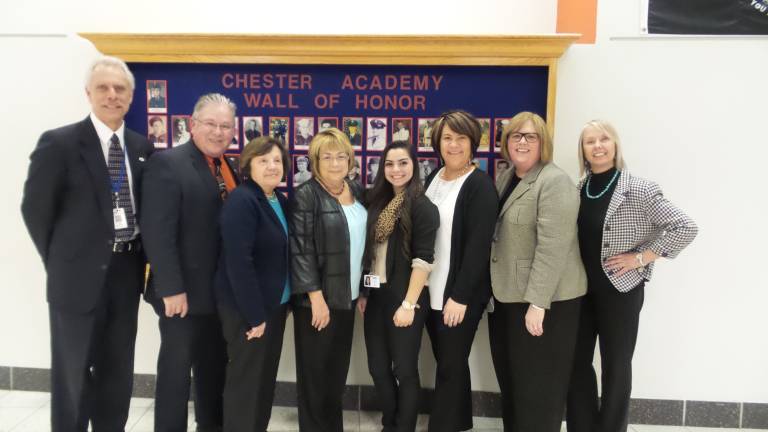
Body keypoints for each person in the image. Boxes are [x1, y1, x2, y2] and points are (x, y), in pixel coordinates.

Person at [21, 56, 153, 431]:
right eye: (103, 88)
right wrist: (64, 261)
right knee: (73, 374)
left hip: (126, 273)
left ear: (131, 95)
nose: (112, 95)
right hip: (75, 280)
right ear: (88, 93)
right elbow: (35, 210)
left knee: (117, 372)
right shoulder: (60, 143)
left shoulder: (141, 147)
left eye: (120, 89)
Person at [566, 120, 698, 432]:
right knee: (576, 362)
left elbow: (685, 227)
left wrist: (641, 258)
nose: (597, 146)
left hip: (620, 291)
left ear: (615, 145)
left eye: (604, 139)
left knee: (616, 365)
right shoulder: (577, 189)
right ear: (582, 150)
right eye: (590, 141)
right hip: (580, 290)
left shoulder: (639, 188)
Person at [141, 93, 240, 432]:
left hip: (217, 296)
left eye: (225, 125)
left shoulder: (228, 167)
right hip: (180, 296)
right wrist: (170, 289)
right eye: (210, 124)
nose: (218, 132)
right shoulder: (168, 163)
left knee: (213, 369)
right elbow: (157, 231)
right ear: (192, 125)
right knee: (176, 372)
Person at [488, 111, 587, 432]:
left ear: (543, 143)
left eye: (531, 136)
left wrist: (538, 303)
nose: (522, 142)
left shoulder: (554, 181)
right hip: (508, 297)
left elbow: (553, 248)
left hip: (545, 304)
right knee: (514, 385)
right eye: (516, 136)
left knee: (539, 391)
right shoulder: (507, 176)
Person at [423, 110, 498, 432]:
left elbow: (479, 248)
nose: (453, 145)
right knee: (449, 363)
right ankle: (461, 422)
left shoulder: (479, 186)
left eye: (461, 138)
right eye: (447, 138)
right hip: (430, 289)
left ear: (473, 143)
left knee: (449, 367)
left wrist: (460, 297)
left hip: (458, 294)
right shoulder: (434, 177)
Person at [290, 128, 368, 432]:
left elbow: (363, 244)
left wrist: (362, 291)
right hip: (317, 303)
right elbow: (301, 250)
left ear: (350, 160)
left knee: (336, 373)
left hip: (346, 298)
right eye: (327, 157)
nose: (335, 163)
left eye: (341, 156)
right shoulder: (306, 194)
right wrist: (315, 298)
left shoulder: (357, 190)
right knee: (314, 376)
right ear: (315, 161)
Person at [362, 141, 439, 432]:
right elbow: (371, 254)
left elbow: (423, 260)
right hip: (377, 296)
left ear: (414, 165)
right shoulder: (377, 203)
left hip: (406, 298)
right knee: (378, 368)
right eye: (390, 164)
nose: (396, 170)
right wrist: (366, 292)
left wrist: (408, 305)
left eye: (403, 163)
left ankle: (404, 427)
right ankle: (389, 424)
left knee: (404, 370)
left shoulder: (422, 206)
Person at [216, 136, 292, 432]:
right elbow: (238, 262)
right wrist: (255, 315)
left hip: (274, 306)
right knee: (246, 385)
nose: (272, 166)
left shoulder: (278, 200)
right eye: (263, 160)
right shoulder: (242, 200)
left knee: (263, 382)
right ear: (248, 165)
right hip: (249, 311)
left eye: (276, 160)